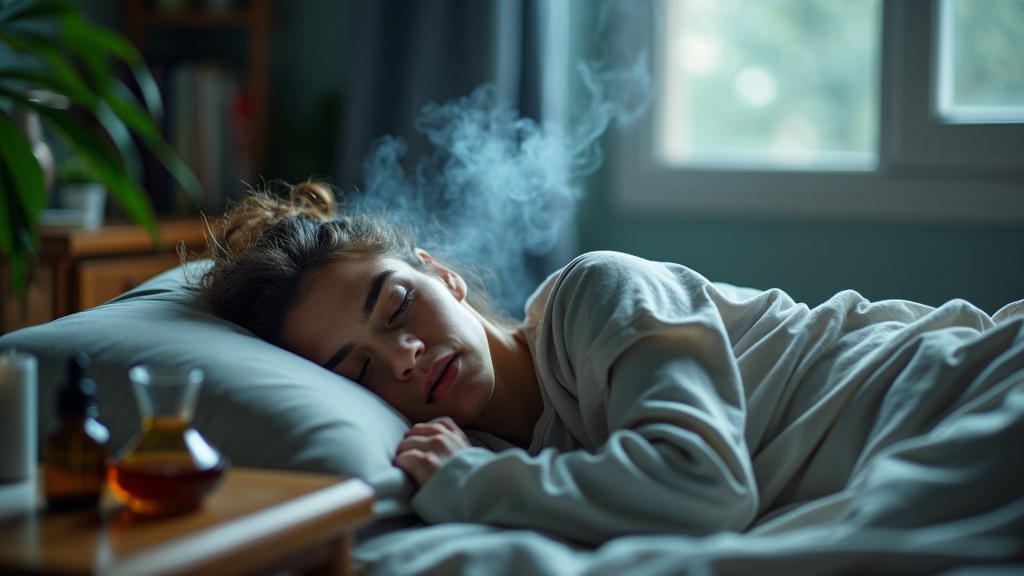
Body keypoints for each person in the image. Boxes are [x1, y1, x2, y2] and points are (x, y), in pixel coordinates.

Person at [200, 180, 1024, 547]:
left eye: (397, 307)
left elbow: (704, 483)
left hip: (962, 383)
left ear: (442, 273)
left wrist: (472, 486)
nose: (405, 358)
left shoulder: (595, 295)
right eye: (358, 374)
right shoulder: (496, 459)